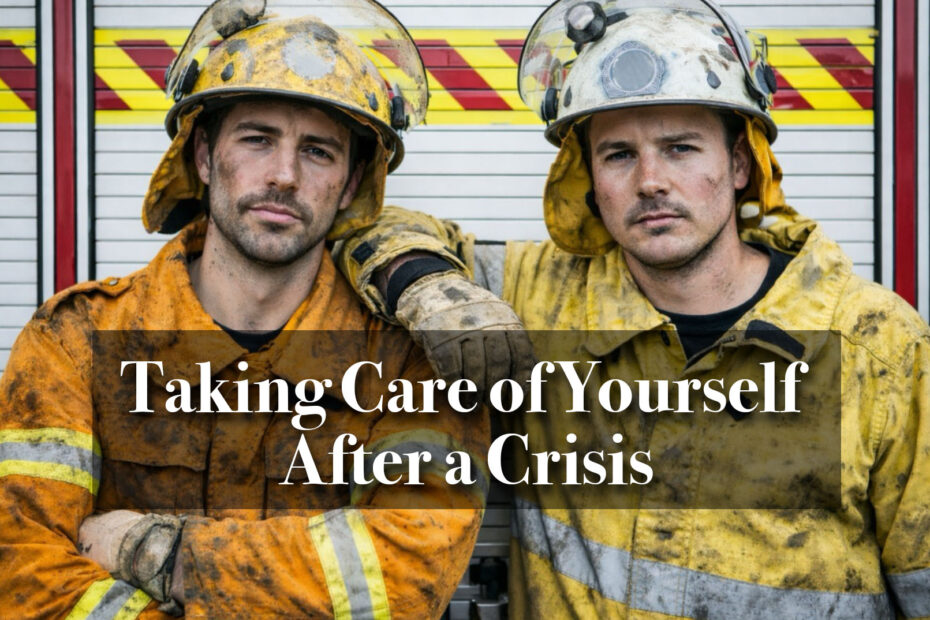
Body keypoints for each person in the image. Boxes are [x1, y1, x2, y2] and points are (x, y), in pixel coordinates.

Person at [332, 0, 930, 617]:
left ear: (741, 164)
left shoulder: (876, 344)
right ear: (588, 176)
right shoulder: (544, 294)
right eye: (619, 154)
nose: (650, 181)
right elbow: (367, 225)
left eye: (680, 148)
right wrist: (428, 286)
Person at [0, 1, 488, 617]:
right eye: (258, 139)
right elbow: (23, 571)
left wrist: (161, 553)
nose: (283, 175)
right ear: (204, 156)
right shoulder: (74, 341)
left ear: (351, 183)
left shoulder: (407, 360)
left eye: (318, 151)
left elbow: (408, 573)